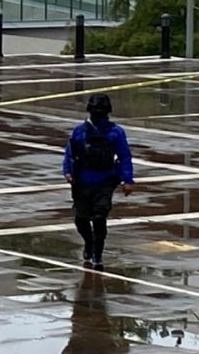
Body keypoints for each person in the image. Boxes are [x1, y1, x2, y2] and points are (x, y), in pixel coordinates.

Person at [62, 93, 134, 270]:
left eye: (101, 111)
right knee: (81, 219)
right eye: (95, 111)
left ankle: (97, 253)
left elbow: (125, 156)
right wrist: (67, 172)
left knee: (100, 217)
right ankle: (89, 242)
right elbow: (70, 153)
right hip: (82, 181)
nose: (98, 114)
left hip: (105, 180)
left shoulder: (115, 132)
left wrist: (127, 179)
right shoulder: (80, 131)